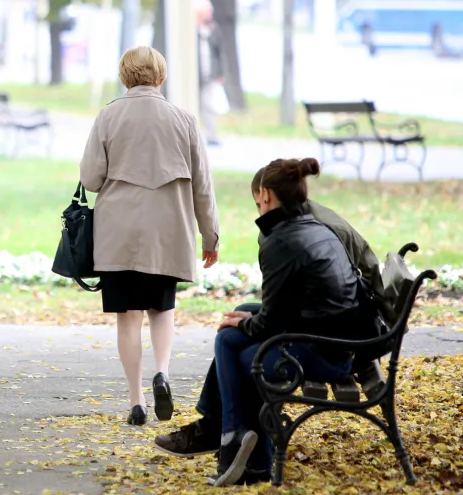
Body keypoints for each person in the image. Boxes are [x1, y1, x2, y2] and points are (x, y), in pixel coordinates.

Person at [154, 165, 388, 485]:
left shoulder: (281, 241)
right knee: (237, 325)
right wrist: (249, 319)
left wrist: (250, 323)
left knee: (238, 351)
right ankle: (227, 435)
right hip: (339, 340)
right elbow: (281, 312)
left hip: (327, 354)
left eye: (256, 202)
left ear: (264, 195)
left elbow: (270, 324)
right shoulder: (313, 225)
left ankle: (236, 444)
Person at [79, 45, 220, 427]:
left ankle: (136, 400)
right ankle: (162, 372)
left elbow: (90, 179)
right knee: (162, 309)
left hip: (118, 233)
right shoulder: (184, 120)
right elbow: (202, 186)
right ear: (162, 77)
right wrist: (211, 236)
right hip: (168, 231)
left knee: (128, 318)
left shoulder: (108, 116)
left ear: (124, 77)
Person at [193, 0, 226, 147]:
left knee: (210, 106)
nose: (211, 13)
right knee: (192, 104)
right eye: (208, 10)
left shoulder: (214, 29)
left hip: (210, 74)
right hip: (193, 74)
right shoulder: (190, 28)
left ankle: (211, 135)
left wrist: (221, 73)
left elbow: (219, 52)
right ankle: (192, 135)